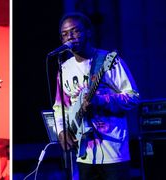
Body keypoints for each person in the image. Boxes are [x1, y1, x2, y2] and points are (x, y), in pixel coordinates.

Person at [52, 12, 139, 180]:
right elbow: (59, 107)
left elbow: (133, 97)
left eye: (75, 31)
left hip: (113, 151)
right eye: (64, 34)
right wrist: (62, 131)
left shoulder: (110, 61)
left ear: (89, 32)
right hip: (84, 152)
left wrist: (102, 100)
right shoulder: (64, 69)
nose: (70, 37)